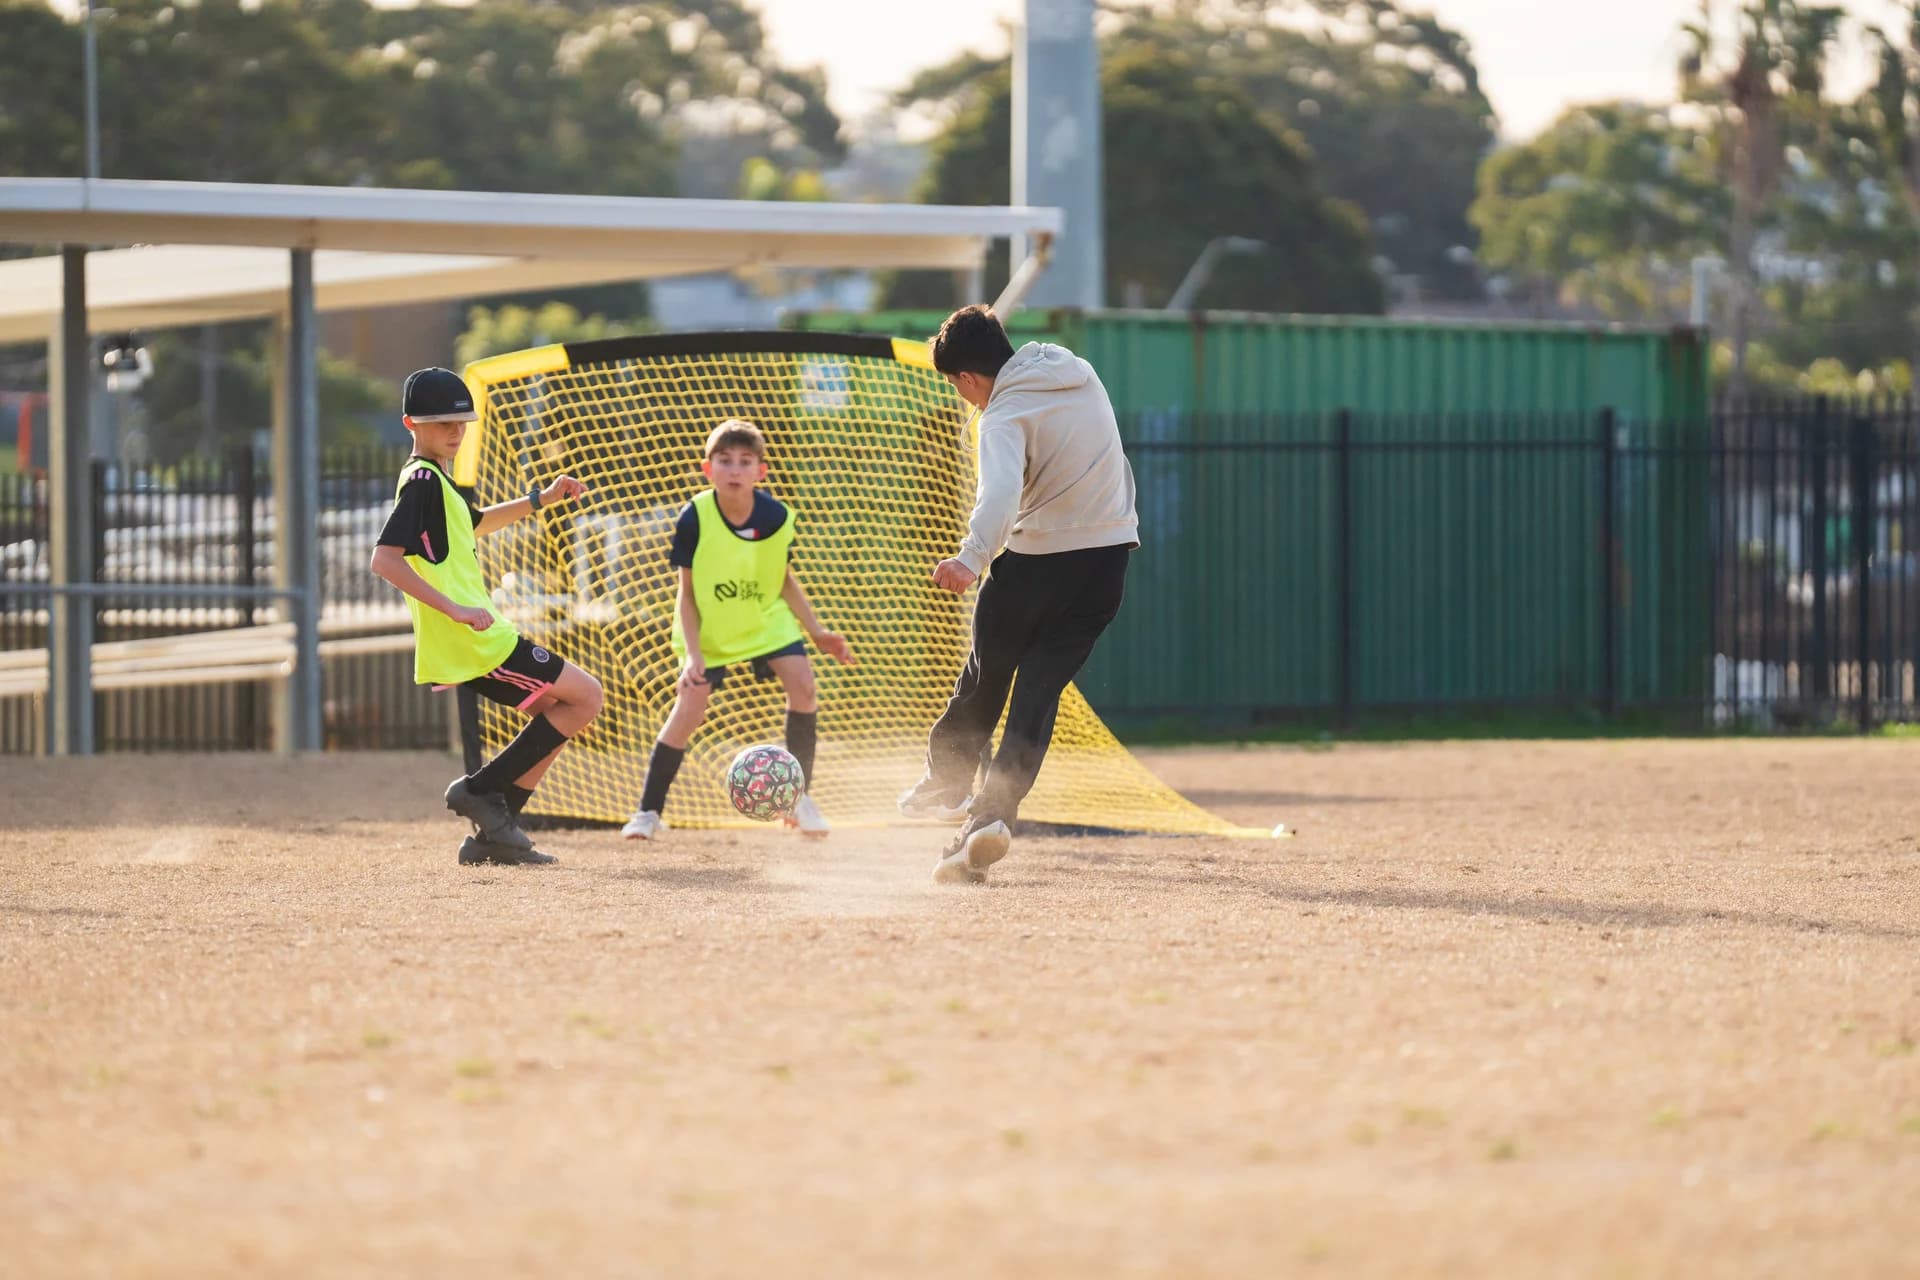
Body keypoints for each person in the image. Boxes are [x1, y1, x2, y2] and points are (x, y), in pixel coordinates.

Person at [898, 306, 1140, 885]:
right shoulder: (1078, 370)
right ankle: (991, 816)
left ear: (965, 379)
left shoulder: (1001, 414)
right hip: (1108, 564)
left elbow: (1001, 492)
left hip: (1037, 565)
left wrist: (969, 557)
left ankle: (949, 779)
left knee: (987, 673)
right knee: (1036, 693)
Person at [370, 366, 603, 866]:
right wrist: (454, 608)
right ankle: (477, 791)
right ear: (411, 423)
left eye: (461, 424)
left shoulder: (437, 483)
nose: (454, 433)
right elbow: (384, 559)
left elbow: (475, 524)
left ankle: (496, 833)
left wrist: (541, 499)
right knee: (586, 697)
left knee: (562, 711)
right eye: (441, 424)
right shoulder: (422, 483)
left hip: (477, 635)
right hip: (476, 638)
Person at [621, 419, 855, 841]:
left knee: (803, 686)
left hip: (765, 620)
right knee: (689, 708)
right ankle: (648, 812)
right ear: (707, 469)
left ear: (760, 472)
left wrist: (817, 631)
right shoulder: (695, 516)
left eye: (745, 462)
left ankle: (800, 799)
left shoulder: (778, 516)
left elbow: (782, 579)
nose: (734, 469)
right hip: (711, 630)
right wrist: (693, 655)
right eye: (724, 461)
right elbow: (687, 594)